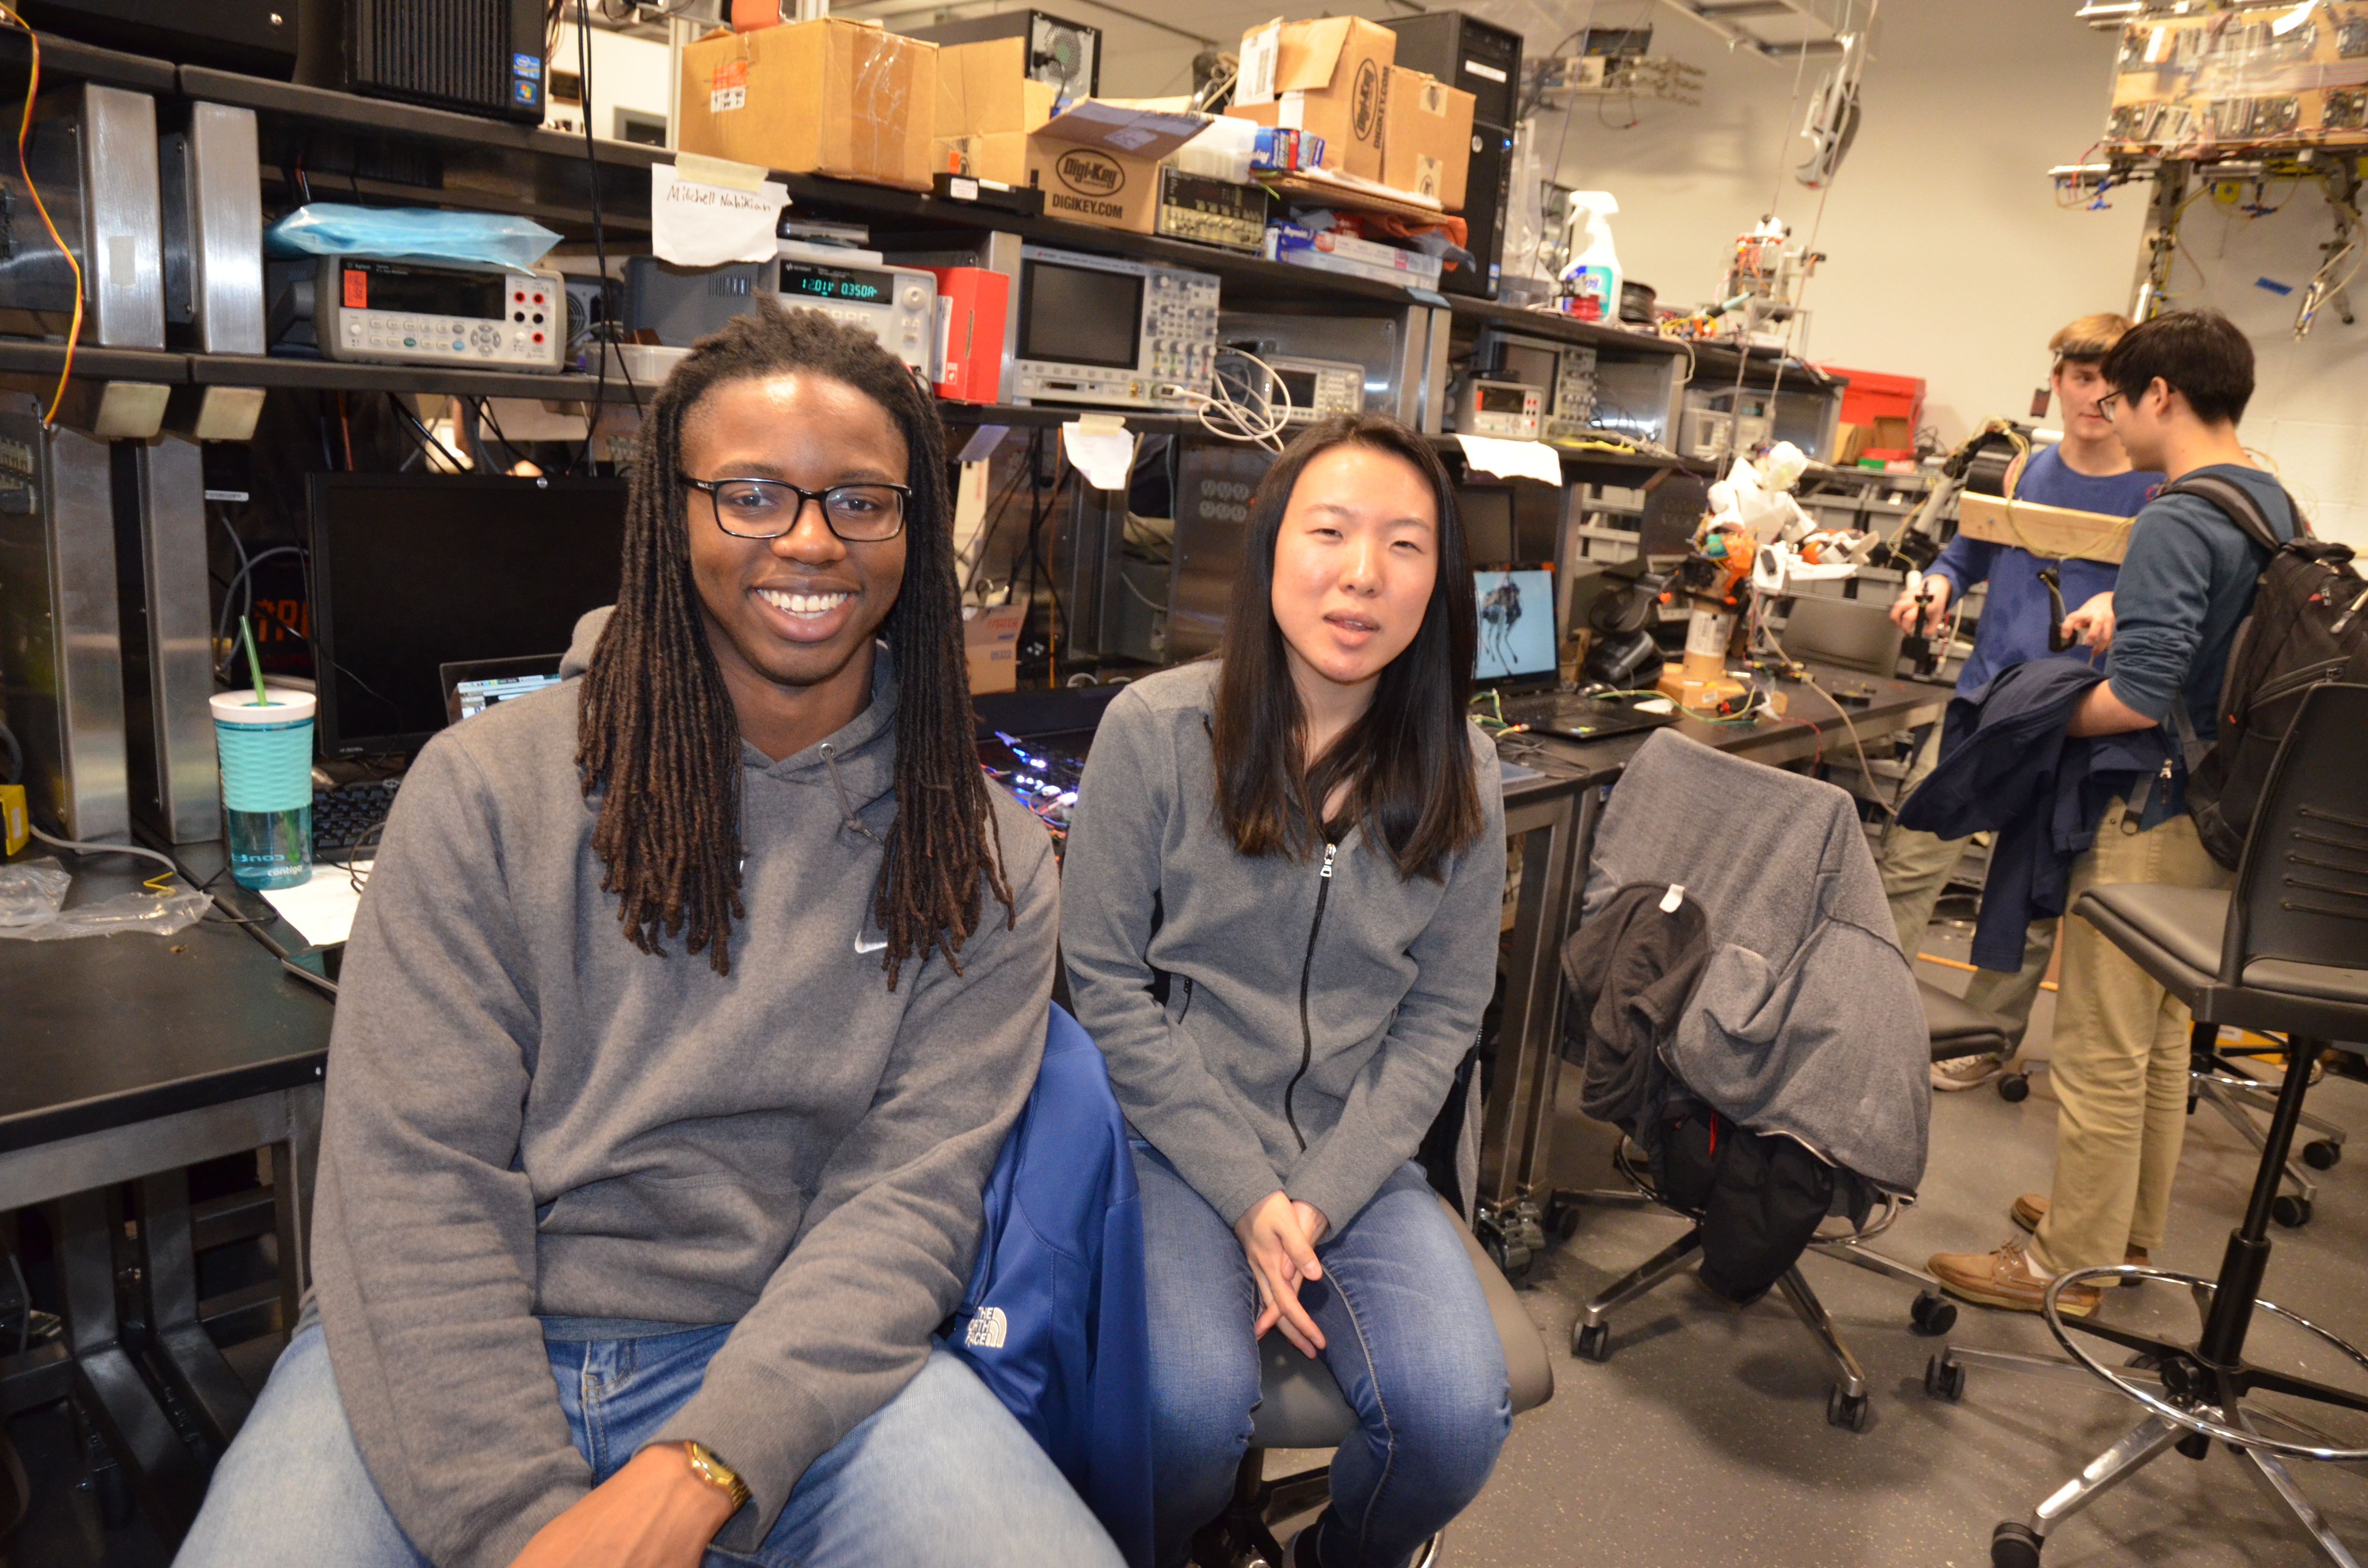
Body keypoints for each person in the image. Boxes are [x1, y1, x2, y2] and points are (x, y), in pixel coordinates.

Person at [176, 304, 1121, 1568]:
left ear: (911, 532)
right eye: (751, 495)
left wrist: (711, 1461)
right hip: (447, 1340)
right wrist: (521, 1528)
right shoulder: (488, 792)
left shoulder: (979, 853)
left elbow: (903, 1213)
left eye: (861, 502)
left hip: (784, 1355)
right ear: (672, 515)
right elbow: (413, 1199)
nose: (808, 539)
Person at [1061, 414, 1511, 1568]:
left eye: (1406, 546)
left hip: (1355, 1164)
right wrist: (1248, 1193)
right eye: (1331, 532)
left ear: (1437, 586)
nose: (1363, 574)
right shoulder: (1155, 732)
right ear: (1270, 552)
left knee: (1453, 1424)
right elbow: (1104, 986)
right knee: (1182, 1420)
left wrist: (1313, 1201)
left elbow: (1442, 1019)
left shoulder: (1461, 769)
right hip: (1173, 1146)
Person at [1928, 309, 2294, 1317]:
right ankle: (2119, 1228)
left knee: (2097, 1045)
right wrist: (2121, 609)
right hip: (2226, 811)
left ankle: (2062, 1268)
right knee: (2159, 1036)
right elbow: (2216, 635)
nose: (2103, 409)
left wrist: (2033, 717)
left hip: (2152, 803)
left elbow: (2135, 698)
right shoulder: (2266, 500)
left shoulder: (2177, 512)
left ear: (2160, 396)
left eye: (2117, 395)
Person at [1885, 313, 2162, 1091]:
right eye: (2080, 379)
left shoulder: (2158, 488)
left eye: (2113, 384)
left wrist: (2120, 598)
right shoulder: (2017, 471)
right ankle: (1870, 1000)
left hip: (2073, 715)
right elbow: (1967, 547)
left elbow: (2168, 593)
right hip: (1986, 700)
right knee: (1912, 856)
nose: (2094, 396)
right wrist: (1939, 583)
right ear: (2060, 381)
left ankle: (1989, 1035)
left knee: (2028, 887)